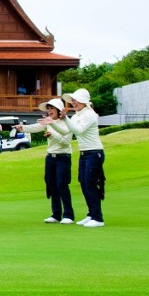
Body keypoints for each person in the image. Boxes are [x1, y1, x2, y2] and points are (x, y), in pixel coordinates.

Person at [43, 88, 105, 228]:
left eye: (76, 100)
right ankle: (91, 214)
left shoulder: (89, 114)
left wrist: (64, 118)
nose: (73, 103)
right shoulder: (77, 115)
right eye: (72, 101)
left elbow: (78, 130)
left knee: (90, 184)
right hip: (84, 153)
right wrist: (52, 123)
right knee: (84, 183)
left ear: (84, 101)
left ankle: (97, 217)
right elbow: (66, 131)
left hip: (94, 152)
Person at [15, 98, 75, 224]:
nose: (49, 110)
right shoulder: (48, 122)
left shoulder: (66, 123)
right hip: (50, 157)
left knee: (62, 185)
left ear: (58, 110)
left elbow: (66, 142)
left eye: (52, 108)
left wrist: (52, 135)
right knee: (51, 185)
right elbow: (36, 127)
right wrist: (22, 128)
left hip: (63, 157)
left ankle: (68, 215)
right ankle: (56, 214)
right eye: (48, 108)